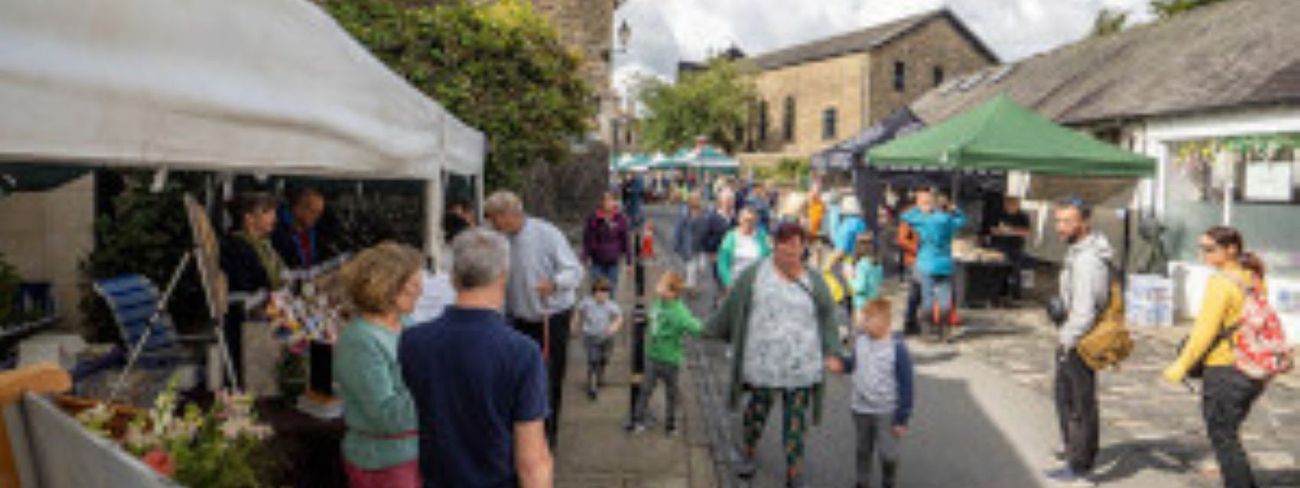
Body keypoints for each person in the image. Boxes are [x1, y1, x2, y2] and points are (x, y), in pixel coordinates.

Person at [399, 228, 552, 488]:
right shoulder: (522, 352)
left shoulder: (413, 341)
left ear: (454, 278)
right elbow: (532, 460)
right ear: (503, 278)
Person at [705, 222, 844, 488]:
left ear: (804, 247)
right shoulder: (755, 274)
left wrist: (833, 351)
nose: (792, 249)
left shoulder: (814, 280)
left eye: (797, 243)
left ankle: (794, 471)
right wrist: (702, 328)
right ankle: (748, 451)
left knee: (795, 423)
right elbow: (731, 309)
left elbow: (828, 317)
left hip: (801, 364)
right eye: (786, 243)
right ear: (774, 245)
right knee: (756, 413)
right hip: (763, 363)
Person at [1162, 226, 1268, 488]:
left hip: (1224, 369)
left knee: (1223, 436)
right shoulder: (1253, 278)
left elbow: (1204, 332)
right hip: (1251, 366)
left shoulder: (1221, 283)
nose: (1203, 254)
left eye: (1210, 249)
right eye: (1202, 248)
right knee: (1228, 433)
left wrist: (1179, 366)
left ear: (1231, 250)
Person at [483, 190, 583, 448]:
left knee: (549, 380)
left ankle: (547, 441)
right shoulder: (501, 240)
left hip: (552, 317)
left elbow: (574, 269)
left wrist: (555, 283)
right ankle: (523, 434)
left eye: (493, 217)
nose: (491, 223)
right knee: (520, 380)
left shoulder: (547, 234)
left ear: (508, 214)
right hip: (517, 319)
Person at [334, 242, 424, 488]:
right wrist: (433, 381)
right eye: (412, 286)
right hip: (385, 461)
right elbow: (386, 418)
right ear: (386, 287)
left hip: (416, 454)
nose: (420, 290)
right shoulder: (360, 340)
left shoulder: (406, 322)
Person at [1045, 197, 1112, 485]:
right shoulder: (1078, 252)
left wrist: (1066, 338)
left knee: (1078, 403)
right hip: (1073, 334)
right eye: (1058, 220)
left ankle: (1081, 467)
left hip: (1080, 339)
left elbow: (1085, 309)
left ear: (1084, 223)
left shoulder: (1087, 260)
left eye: (1067, 221)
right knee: (1064, 396)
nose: (1060, 227)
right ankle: (1074, 450)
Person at [839, 298, 913, 488]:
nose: (863, 323)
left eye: (868, 319)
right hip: (860, 408)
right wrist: (841, 365)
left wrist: (902, 418)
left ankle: (889, 480)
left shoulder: (897, 349)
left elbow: (907, 386)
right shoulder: (860, 341)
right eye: (864, 318)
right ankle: (862, 481)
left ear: (884, 322)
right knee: (863, 449)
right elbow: (853, 364)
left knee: (888, 453)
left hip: (886, 410)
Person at [220, 192, 285, 387]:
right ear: (249, 218)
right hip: (245, 325)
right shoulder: (237, 247)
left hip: (259, 317)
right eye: (267, 212)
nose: (274, 217)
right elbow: (247, 289)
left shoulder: (263, 245)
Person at [631, 271, 702, 434]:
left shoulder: (679, 311)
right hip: (652, 356)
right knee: (645, 390)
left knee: (672, 394)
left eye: (662, 284)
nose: (658, 286)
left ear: (672, 292)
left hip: (670, 360)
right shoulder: (657, 303)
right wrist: (644, 319)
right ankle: (638, 420)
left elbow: (695, 327)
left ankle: (670, 425)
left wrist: (711, 328)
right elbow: (652, 317)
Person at [900, 188, 966, 342]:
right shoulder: (948, 220)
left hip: (926, 263)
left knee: (927, 297)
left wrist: (921, 206)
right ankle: (945, 332)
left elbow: (905, 216)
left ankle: (927, 332)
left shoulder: (923, 220)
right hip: (945, 264)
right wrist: (954, 209)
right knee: (945, 298)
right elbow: (962, 220)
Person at [573, 277, 622, 400]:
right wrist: (575, 323)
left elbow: (619, 317)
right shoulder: (587, 302)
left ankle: (600, 373)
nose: (602, 296)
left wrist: (614, 326)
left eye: (605, 293)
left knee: (604, 358)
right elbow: (578, 311)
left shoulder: (611, 305)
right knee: (592, 360)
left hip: (606, 338)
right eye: (599, 292)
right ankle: (592, 385)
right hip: (590, 336)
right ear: (594, 292)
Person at [673, 193, 726, 292]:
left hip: (702, 246)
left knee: (702, 267)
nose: (697, 201)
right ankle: (691, 287)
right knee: (691, 267)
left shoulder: (706, 213)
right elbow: (678, 230)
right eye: (695, 199)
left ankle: (691, 282)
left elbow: (712, 228)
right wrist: (677, 244)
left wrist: (713, 244)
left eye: (698, 199)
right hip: (689, 246)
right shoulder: (685, 215)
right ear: (690, 202)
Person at [582, 192, 631, 292]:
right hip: (597, 260)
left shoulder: (620, 219)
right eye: (605, 200)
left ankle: (610, 307)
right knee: (597, 291)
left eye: (611, 200)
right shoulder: (594, 219)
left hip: (613, 261)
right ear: (601, 203)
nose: (608, 203)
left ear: (614, 203)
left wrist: (629, 261)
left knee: (611, 290)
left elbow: (625, 240)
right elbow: (587, 240)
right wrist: (583, 259)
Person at [986, 196, 1032, 301]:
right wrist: (1000, 231)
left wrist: (1010, 232)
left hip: (1015, 248)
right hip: (999, 247)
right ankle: (995, 295)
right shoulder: (999, 215)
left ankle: (1015, 296)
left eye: (1013, 204)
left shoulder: (1022, 216)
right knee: (997, 271)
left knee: (1015, 271)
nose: (1010, 206)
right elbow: (992, 230)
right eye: (1007, 204)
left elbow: (1026, 232)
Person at [272, 187, 330, 269]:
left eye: (319, 213)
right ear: (297, 209)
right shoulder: (276, 232)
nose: (317, 217)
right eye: (313, 212)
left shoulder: (319, 231)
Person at [716, 208, 772, 289]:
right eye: (746, 220)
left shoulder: (761, 236)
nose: (748, 223)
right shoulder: (731, 237)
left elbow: (768, 259)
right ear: (739, 220)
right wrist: (728, 283)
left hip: (757, 284)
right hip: (736, 282)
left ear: (756, 222)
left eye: (752, 220)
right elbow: (722, 263)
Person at [895, 198, 923, 336]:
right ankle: (910, 322)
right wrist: (917, 249)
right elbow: (901, 239)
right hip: (914, 260)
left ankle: (914, 322)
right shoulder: (910, 215)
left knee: (921, 293)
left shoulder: (933, 215)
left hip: (925, 259)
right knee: (915, 292)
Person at [851, 233, 885, 313]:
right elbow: (880, 282)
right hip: (875, 302)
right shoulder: (878, 264)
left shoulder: (862, 265)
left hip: (862, 305)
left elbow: (860, 288)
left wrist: (850, 279)